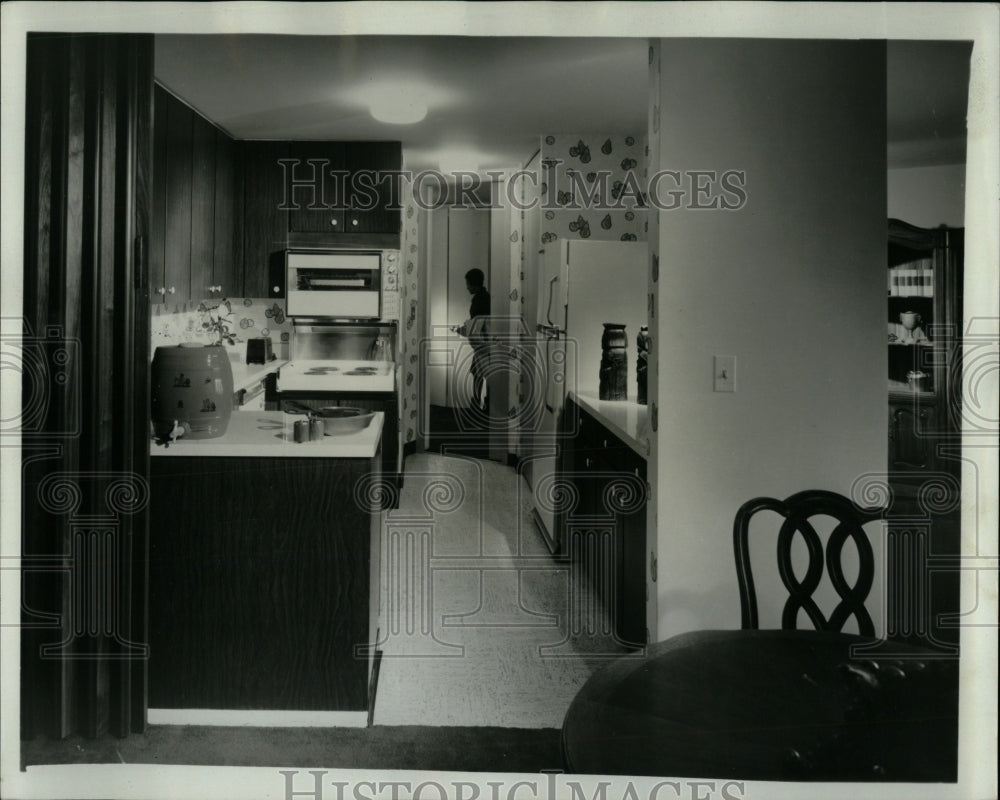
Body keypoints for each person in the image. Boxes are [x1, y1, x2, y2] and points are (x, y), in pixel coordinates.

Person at [455, 268, 491, 412]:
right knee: (479, 373)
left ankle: (478, 404)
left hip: (483, 344)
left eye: (468, 284)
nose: (467, 287)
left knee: (480, 374)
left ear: (474, 284)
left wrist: (464, 329)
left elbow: (478, 324)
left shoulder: (479, 300)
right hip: (485, 343)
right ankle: (481, 403)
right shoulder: (485, 297)